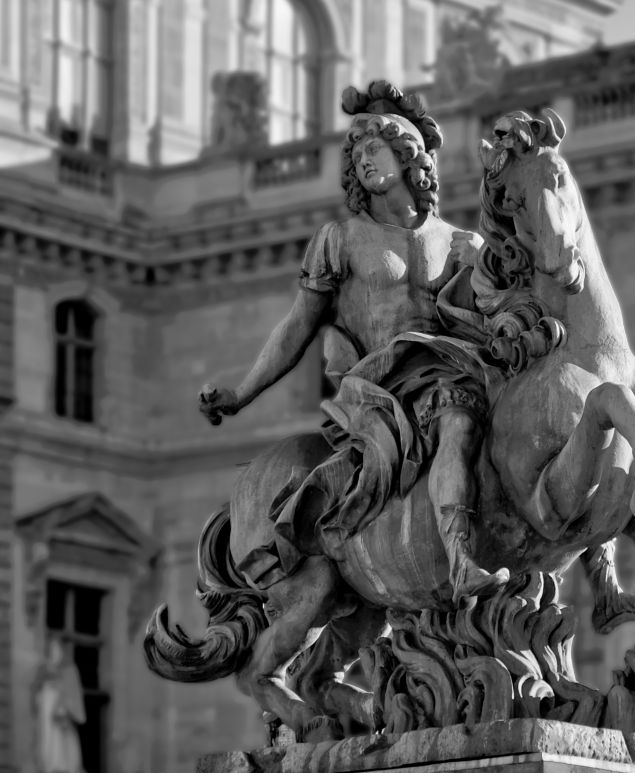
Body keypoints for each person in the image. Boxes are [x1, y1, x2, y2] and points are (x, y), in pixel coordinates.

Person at [199, 81, 508, 603]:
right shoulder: (339, 240)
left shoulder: (462, 243)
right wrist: (242, 394)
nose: (363, 160)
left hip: (449, 367)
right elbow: (297, 327)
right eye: (357, 152)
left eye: (374, 149)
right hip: (378, 386)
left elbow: (494, 314)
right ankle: (459, 559)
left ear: (408, 157)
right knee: (456, 416)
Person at [32, 636, 91, 773]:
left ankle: (61, 770)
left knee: (61, 742)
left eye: (56, 649)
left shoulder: (68, 670)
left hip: (61, 712)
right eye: (52, 650)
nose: (54, 653)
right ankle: (51, 769)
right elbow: (37, 693)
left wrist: (62, 707)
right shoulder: (44, 670)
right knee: (48, 739)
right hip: (47, 713)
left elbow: (71, 694)